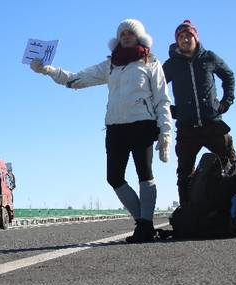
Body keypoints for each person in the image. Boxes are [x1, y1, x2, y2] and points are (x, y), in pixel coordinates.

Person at [30, 19, 173, 243]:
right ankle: (142, 221)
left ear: (139, 37)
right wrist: (47, 70)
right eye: (122, 33)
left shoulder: (151, 63)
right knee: (114, 177)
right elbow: (76, 79)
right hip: (115, 127)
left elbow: (163, 99)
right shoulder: (110, 65)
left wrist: (166, 131)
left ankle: (145, 225)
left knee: (144, 174)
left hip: (142, 125)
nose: (126, 36)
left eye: (130, 33)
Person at [162, 19, 236, 207]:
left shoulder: (209, 58)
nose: (185, 40)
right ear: (177, 41)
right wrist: (170, 110)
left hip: (213, 124)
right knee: (184, 174)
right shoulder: (171, 65)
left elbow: (229, 76)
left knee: (232, 167)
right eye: (181, 37)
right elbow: (155, 89)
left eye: (188, 36)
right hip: (188, 129)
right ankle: (187, 215)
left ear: (195, 38)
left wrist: (226, 101)